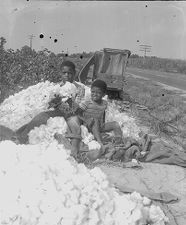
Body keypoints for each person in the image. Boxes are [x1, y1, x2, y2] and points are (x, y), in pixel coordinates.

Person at [16, 60, 85, 144]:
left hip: (71, 114)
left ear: (74, 73)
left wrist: (65, 102)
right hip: (58, 111)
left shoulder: (79, 88)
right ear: (61, 74)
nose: (66, 75)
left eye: (69, 73)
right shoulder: (56, 87)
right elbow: (50, 104)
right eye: (64, 73)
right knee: (40, 116)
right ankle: (22, 137)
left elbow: (76, 107)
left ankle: (75, 148)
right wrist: (53, 101)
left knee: (75, 126)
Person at [64, 79, 124, 161]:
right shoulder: (87, 102)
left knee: (115, 124)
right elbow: (77, 113)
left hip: (99, 125)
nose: (95, 94)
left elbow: (102, 114)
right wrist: (86, 120)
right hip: (88, 125)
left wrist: (102, 124)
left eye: (98, 93)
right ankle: (100, 142)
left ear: (103, 94)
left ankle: (119, 141)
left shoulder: (104, 103)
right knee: (95, 120)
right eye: (93, 92)